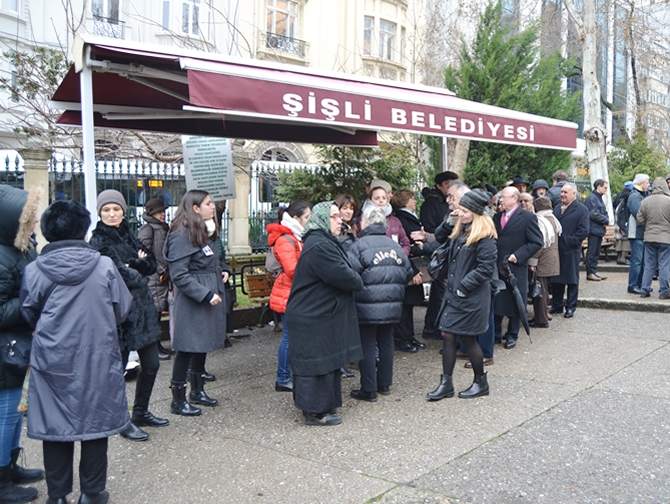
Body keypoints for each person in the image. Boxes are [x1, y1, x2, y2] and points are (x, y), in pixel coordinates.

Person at [20, 200, 133, 504]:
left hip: (51, 357)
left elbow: (29, 312)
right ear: (83, 230)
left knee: (54, 425)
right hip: (98, 355)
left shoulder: (35, 270)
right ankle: (92, 493)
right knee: (96, 424)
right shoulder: (104, 266)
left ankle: (57, 496)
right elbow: (122, 308)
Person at [89, 190, 167, 442]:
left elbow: (152, 264)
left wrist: (134, 265)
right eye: (106, 210)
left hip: (142, 313)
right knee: (117, 371)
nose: (112, 214)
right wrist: (136, 265)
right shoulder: (98, 240)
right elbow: (117, 274)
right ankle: (122, 420)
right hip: (118, 314)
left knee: (152, 364)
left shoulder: (129, 234)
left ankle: (141, 412)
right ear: (100, 213)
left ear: (124, 210)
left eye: (116, 209)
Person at [285, 202, 364, 426]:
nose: (340, 220)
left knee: (326, 362)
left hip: (318, 313)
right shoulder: (320, 245)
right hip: (311, 315)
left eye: (340, 215)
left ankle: (324, 407)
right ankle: (314, 412)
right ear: (321, 219)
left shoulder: (323, 241)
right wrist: (356, 278)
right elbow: (347, 277)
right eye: (334, 216)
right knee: (315, 365)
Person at [164, 190, 231, 416]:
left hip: (207, 295)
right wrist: (205, 293)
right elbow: (180, 275)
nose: (213, 207)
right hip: (194, 300)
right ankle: (178, 399)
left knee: (200, 345)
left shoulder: (201, 230)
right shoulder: (181, 235)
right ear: (195, 208)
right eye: (208, 204)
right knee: (187, 348)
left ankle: (197, 391)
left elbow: (211, 260)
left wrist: (223, 270)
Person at [426, 189, 498, 401]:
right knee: (447, 335)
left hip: (471, 296)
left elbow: (485, 269)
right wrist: (450, 220)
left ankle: (480, 382)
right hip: (454, 293)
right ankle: (446, 383)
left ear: (476, 212)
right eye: (460, 209)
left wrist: (463, 287)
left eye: (465, 211)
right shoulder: (461, 228)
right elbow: (440, 237)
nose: (461, 213)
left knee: (468, 338)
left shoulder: (485, 236)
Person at [0, 185, 44, 504]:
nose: (35, 222)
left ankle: (11, 467)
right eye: (29, 218)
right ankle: (2, 481)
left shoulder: (21, 246)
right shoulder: (2, 256)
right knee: (6, 415)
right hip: (6, 351)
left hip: (18, 344)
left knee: (16, 412)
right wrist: (32, 300)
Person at [347, 205, 413, 402]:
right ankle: (384, 384)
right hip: (392, 304)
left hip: (366, 305)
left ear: (364, 222)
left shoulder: (358, 246)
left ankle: (369, 389)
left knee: (367, 344)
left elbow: (350, 274)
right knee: (386, 342)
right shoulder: (394, 246)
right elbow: (407, 272)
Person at [265, 201, 311, 392]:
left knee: (294, 337)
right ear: (295, 218)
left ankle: (289, 374)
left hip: (294, 293)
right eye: (307, 217)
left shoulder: (296, 236)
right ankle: (282, 377)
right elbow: (292, 269)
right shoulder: (286, 239)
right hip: (289, 294)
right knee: (289, 337)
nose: (310, 221)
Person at [493, 187, 543, 349]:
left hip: (516, 266)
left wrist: (519, 255)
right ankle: (495, 334)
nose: (501, 200)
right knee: (498, 300)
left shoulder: (527, 218)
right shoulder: (496, 217)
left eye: (504, 197)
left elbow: (536, 241)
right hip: (498, 266)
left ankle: (512, 335)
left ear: (515, 198)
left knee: (516, 301)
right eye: (501, 197)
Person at [422, 180, 470, 341]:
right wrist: (450, 221)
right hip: (450, 274)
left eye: (451, 196)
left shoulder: (477, 221)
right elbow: (440, 237)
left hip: (465, 277)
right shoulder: (451, 216)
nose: (448, 200)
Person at [391, 189, 428, 353]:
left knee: (410, 305)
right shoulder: (402, 218)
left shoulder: (408, 217)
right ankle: (402, 338)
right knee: (404, 306)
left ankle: (409, 336)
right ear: (405, 200)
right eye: (412, 198)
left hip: (412, 265)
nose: (415, 201)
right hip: (408, 265)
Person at [137, 198, 174, 360]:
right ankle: (153, 348)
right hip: (154, 278)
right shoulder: (147, 229)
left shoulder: (163, 228)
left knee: (158, 314)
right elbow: (145, 253)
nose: (162, 214)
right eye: (159, 212)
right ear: (151, 213)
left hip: (163, 277)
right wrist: (160, 270)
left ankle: (158, 345)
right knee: (154, 315)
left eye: (164, 211)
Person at [549, 183, 590, 318]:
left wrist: (570, 241)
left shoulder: (581, 209)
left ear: (574, 193)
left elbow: (584, 230)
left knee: (571, 280)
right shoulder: (556, 208)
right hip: (556, 250)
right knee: (556, 278)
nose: (562, 195)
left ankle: (571, 307)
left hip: (571, 250)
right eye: (562, 192)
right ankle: (557, 305)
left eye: (566, 192)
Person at [528, 196, 561, 328]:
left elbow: (539, 244)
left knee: (539, 290)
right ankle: (541, 315)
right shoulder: (553, 219)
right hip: (552, 259)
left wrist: (533, 261)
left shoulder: (541, 220)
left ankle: (541, 320)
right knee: (544, 289)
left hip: (543, 261)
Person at [636, 177, 670, 299]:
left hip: (649, 238)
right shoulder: (668, 201)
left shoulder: (646, 201)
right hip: (666, 238)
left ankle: (644, 290)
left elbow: (639, 218)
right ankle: (664, 292)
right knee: (664, 265)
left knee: (649, 265)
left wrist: (648, 226)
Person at [359, 186, 411, 256]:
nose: (381, 200)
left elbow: (406, 243)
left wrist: (400, 256)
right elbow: (359, 244)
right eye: (377, 198)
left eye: (384, 198)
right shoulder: (363, 220)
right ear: (370, 200)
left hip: (395, 263)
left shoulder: (395, 221)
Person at [626, 174, 650, 294]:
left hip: (641, 232)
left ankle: (640, 284)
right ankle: (633, 285)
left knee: (643, 261)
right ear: (641, 183)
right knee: (637, 260)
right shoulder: (634, 196)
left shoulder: (641, 195)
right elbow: (638, 214)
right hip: (636, 233)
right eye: (647, 182)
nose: (649, 185)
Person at [584, 179, 610, 282]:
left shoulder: (598, 198)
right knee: (592, 251)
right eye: (605, 187)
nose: (606, 190)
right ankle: (590, 272)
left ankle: (594, 270)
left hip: (598, 229)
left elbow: (603, 211)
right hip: (593, 229)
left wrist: (606, 219)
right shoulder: (592, 198)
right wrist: (605, 220)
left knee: (596, 252)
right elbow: (593, 213)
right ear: (598, 187)